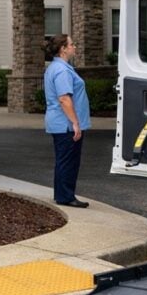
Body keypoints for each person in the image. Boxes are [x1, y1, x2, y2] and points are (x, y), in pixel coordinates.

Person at [44, 34, 92, 207]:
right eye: (72, 44)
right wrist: (75, 123)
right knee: (68, 161)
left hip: (59, 123)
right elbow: (64, 98)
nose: (75, 47)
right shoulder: (62, 70)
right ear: (63, 49)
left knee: (63, 160)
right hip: (65, 125)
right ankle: (66, 197)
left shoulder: (57, 67)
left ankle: (63, 195)